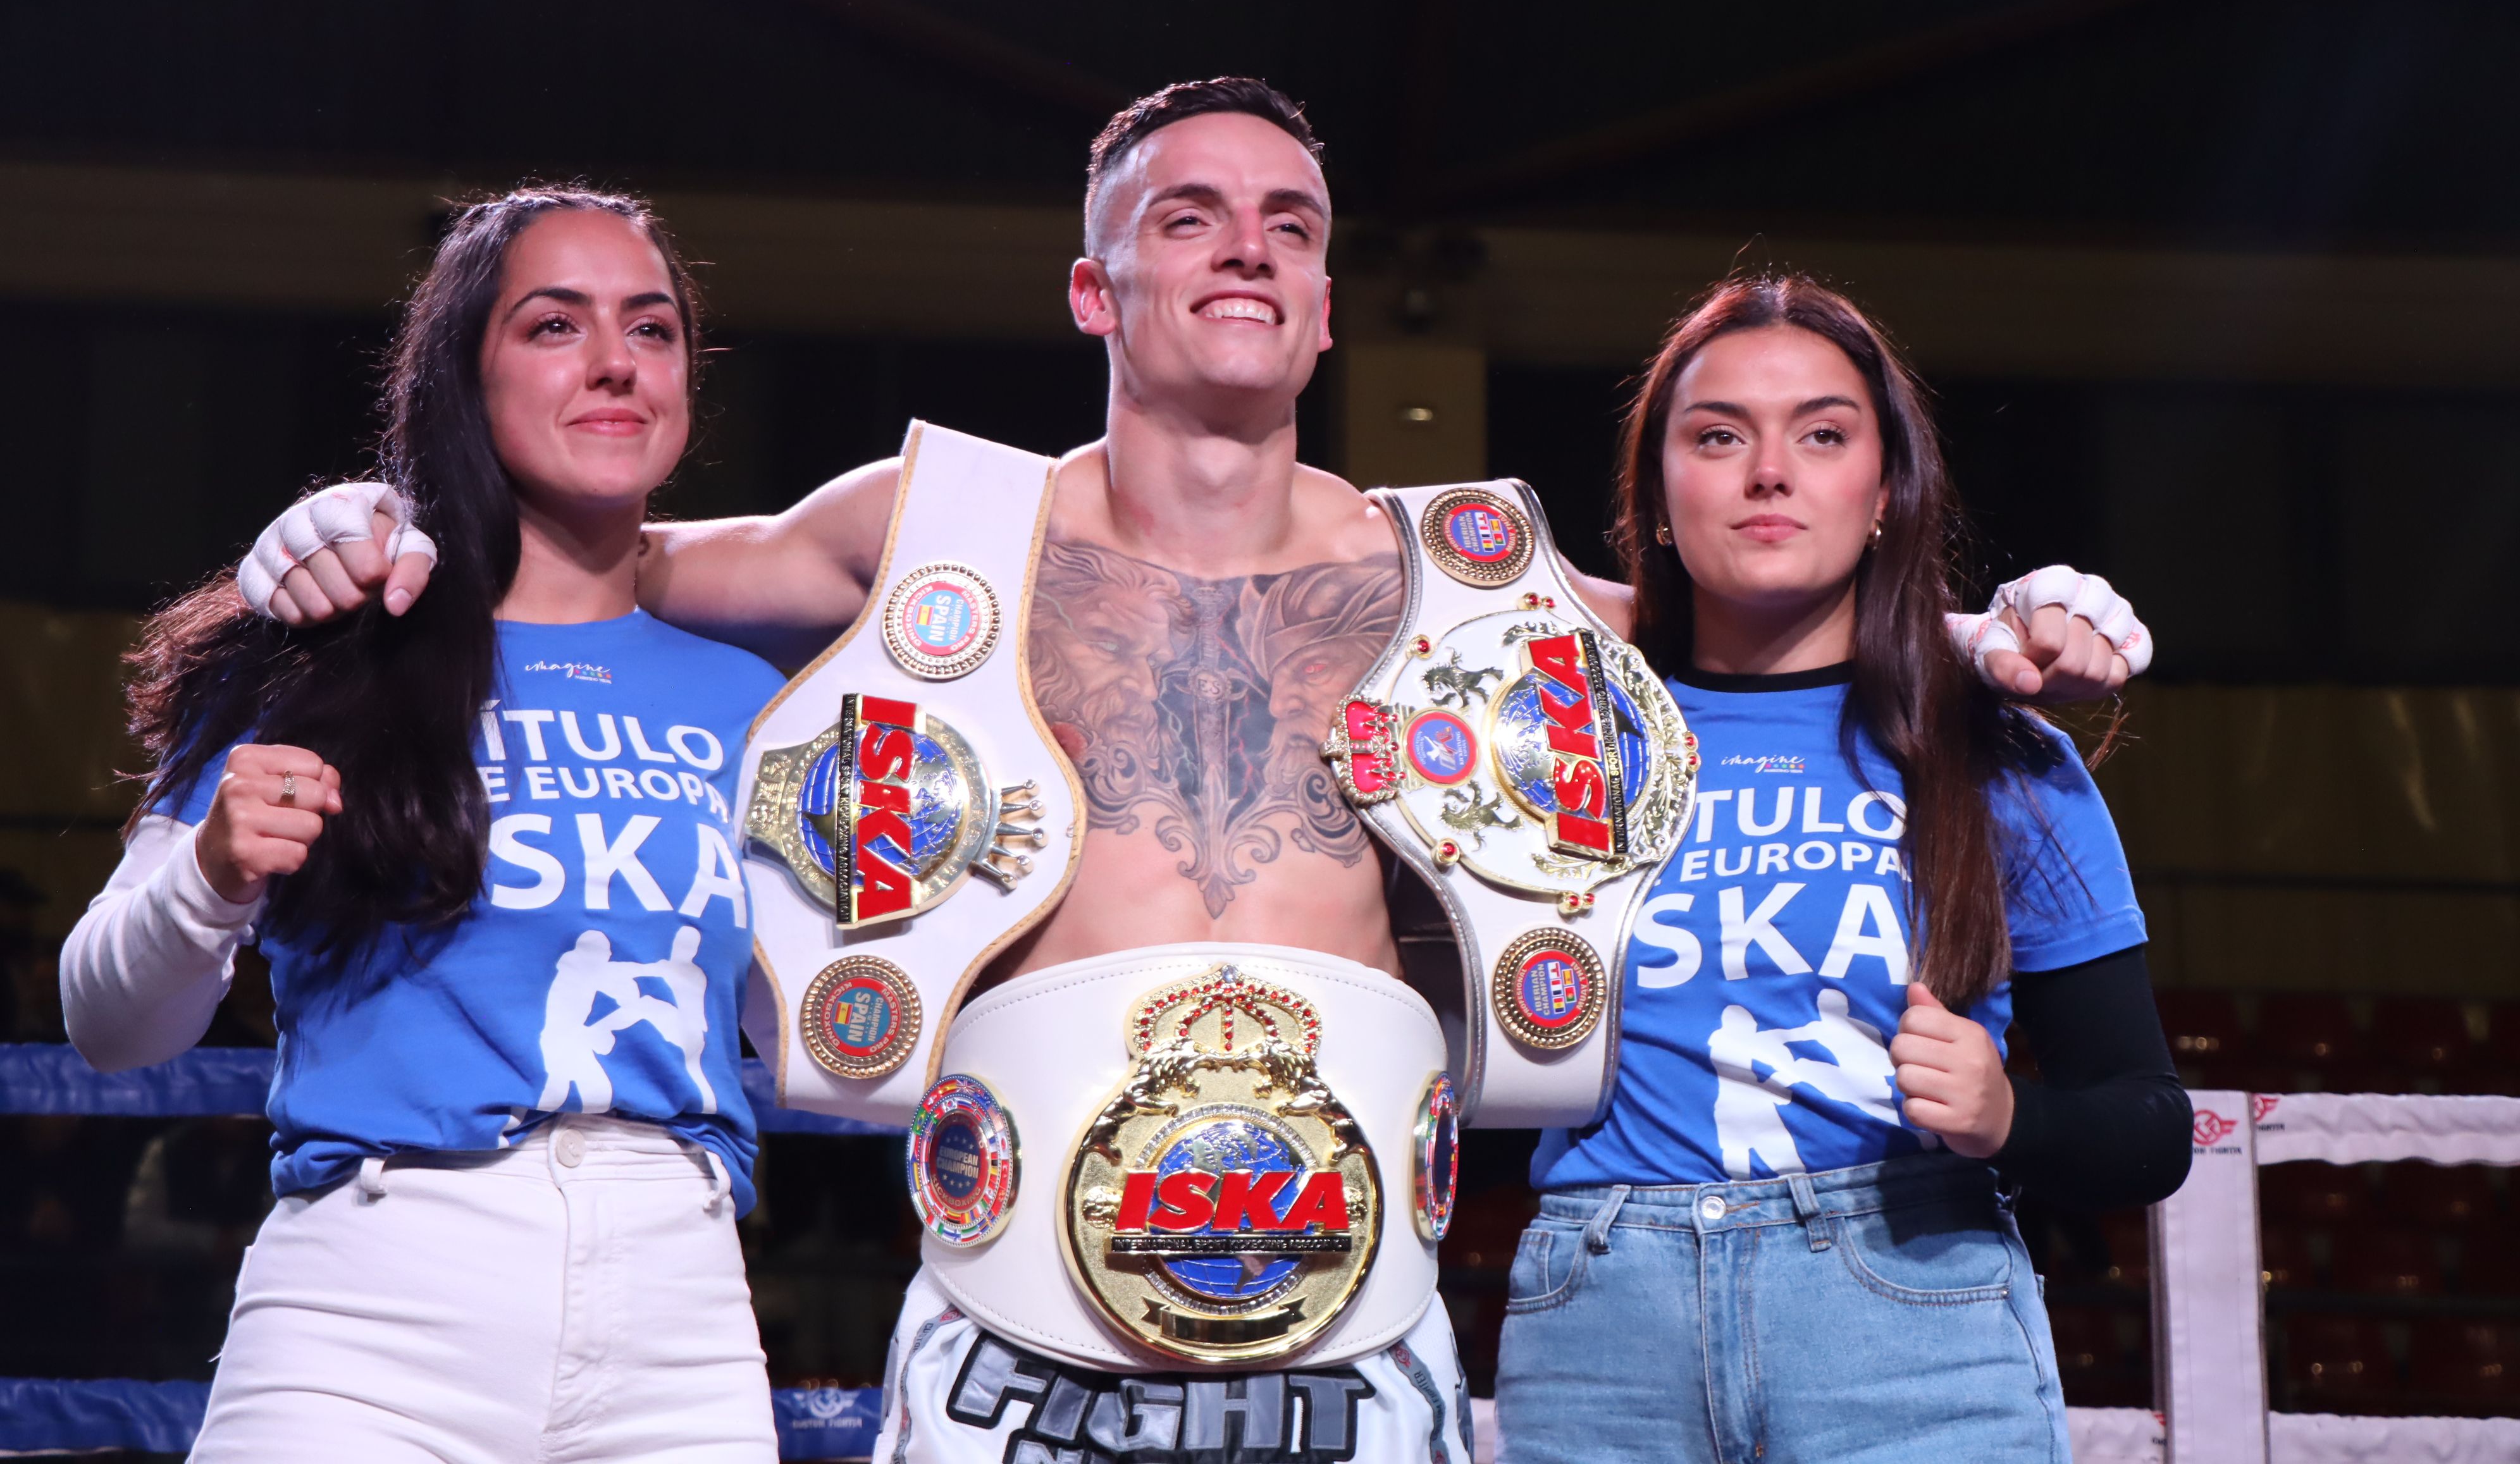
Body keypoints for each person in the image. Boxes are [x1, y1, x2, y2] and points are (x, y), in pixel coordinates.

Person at [236, 81, 2149, 1463]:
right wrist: (355, 522)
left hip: (1355, 1319)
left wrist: (2000, 635)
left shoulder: (1460, 570)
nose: (1247, 248)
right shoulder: (932, 521)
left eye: (1290, 227)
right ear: (1097, 293)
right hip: (1008, 1318)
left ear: (1323, 308)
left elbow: (1755, 592)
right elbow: (593, 551)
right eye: (1190, 217)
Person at [62, 189, 788, 1463]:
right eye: (555, 325)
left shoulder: (760, 702)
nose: (616, 361)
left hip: (683, 1323)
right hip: (366, 1324)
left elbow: (827, 1035)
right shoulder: (321, 654)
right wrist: (211, 875)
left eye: (653, 327)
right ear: (465, 370)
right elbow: (109, 1023)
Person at [1490, 274, 2192, 1464]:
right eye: (1719, 437)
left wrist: (2008, 1117)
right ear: (1660, 490)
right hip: (1605, 1318)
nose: (1771, 473)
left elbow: (2148, 1126)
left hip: (1911, 1315)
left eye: (1823, 434)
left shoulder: (2001, 752)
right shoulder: (1548, 744)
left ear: (1884, 492)